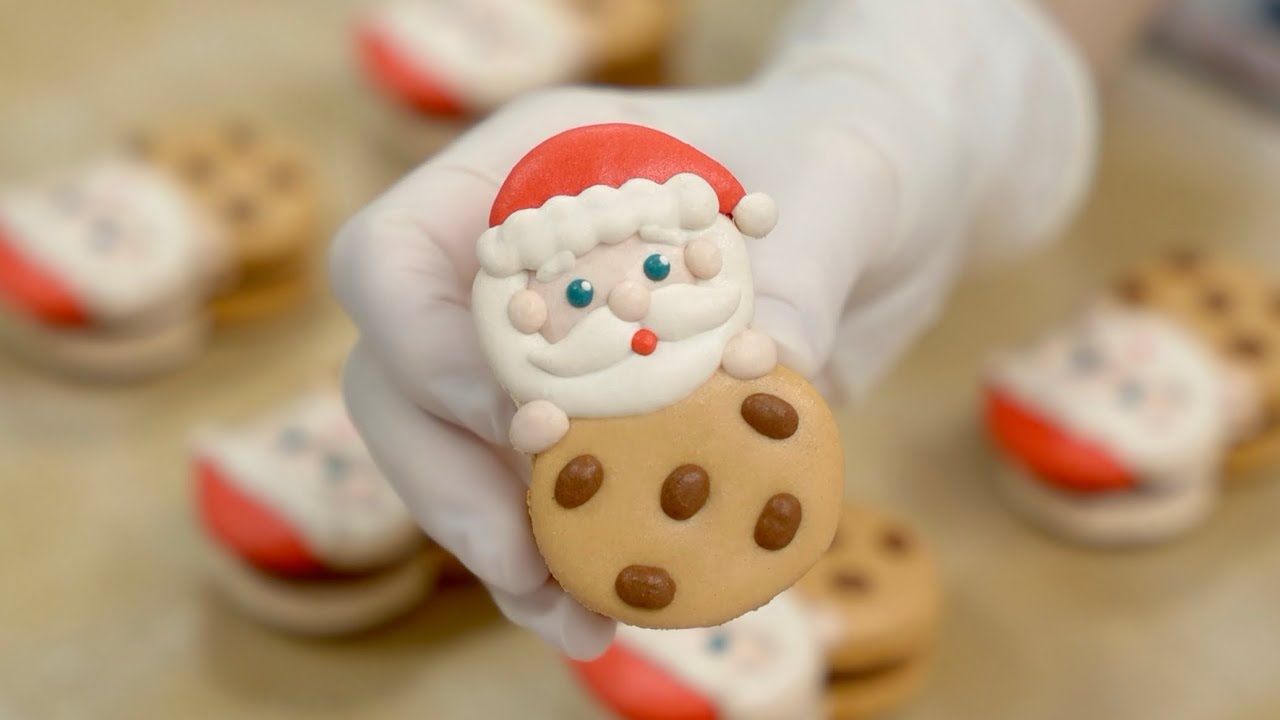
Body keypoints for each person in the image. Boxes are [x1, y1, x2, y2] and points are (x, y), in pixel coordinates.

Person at [331, 0, 1167, 659]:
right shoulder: (555, 399)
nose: (626, 302)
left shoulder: (748, 339)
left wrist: (913, 70)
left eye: (654, 270)